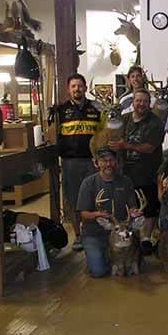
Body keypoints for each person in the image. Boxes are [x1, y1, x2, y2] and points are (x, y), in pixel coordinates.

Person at [108, 88, 164, 256]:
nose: (141, 104)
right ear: (132, 102)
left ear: (150, 104)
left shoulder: (155, 123)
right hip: (126, 175)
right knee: (129, 208)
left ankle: (145, 239)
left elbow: (149, 147)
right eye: (138, 100)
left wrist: (125, 145)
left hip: (148, 173)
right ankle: (129, 240)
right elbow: (112, 139)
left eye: (145, 101)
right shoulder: (123, 120)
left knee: (149, 208)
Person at [55, 73, 103, 251]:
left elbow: (103, 134)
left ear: (85, 88)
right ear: (69, 89)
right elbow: (54, 135)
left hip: (93, 162)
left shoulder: (96, 108)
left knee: (95, 198)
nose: (77, 89)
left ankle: (95, 232)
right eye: (73, 86)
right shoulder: (60, 111)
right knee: (74, 200)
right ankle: (78, 236)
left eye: (80, 86)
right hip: (70, 162)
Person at [76, 148, 136, 278]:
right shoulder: (88, 183)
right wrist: (97, 215)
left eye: (111, 160)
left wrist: (134, 212)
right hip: (95, 234)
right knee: (98, 271)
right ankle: (98, 257)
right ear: (96, 163)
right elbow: (83, 213)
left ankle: (111, 258)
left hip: (120, 233)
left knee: (133, 266)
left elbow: (132, 207)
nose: (108, 164)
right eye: (103, 161)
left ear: (116, 162)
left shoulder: (126, 181)